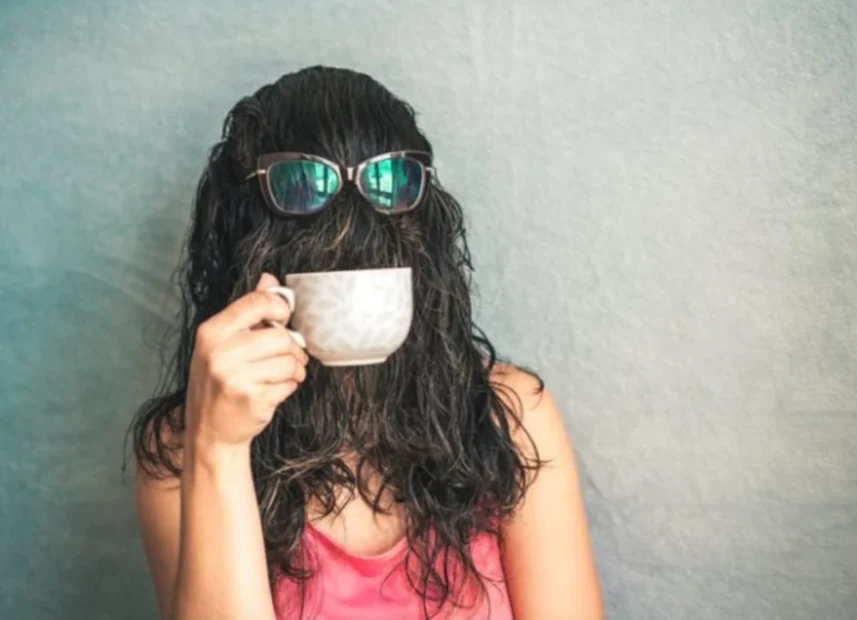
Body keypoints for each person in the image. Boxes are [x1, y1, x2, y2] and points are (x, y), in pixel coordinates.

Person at [130, 66, 602, 620]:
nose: (354, 246)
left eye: (385, 196)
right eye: (313, 205)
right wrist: (220, 450)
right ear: (245, 250)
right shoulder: (184, 448)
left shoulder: (513, 418)